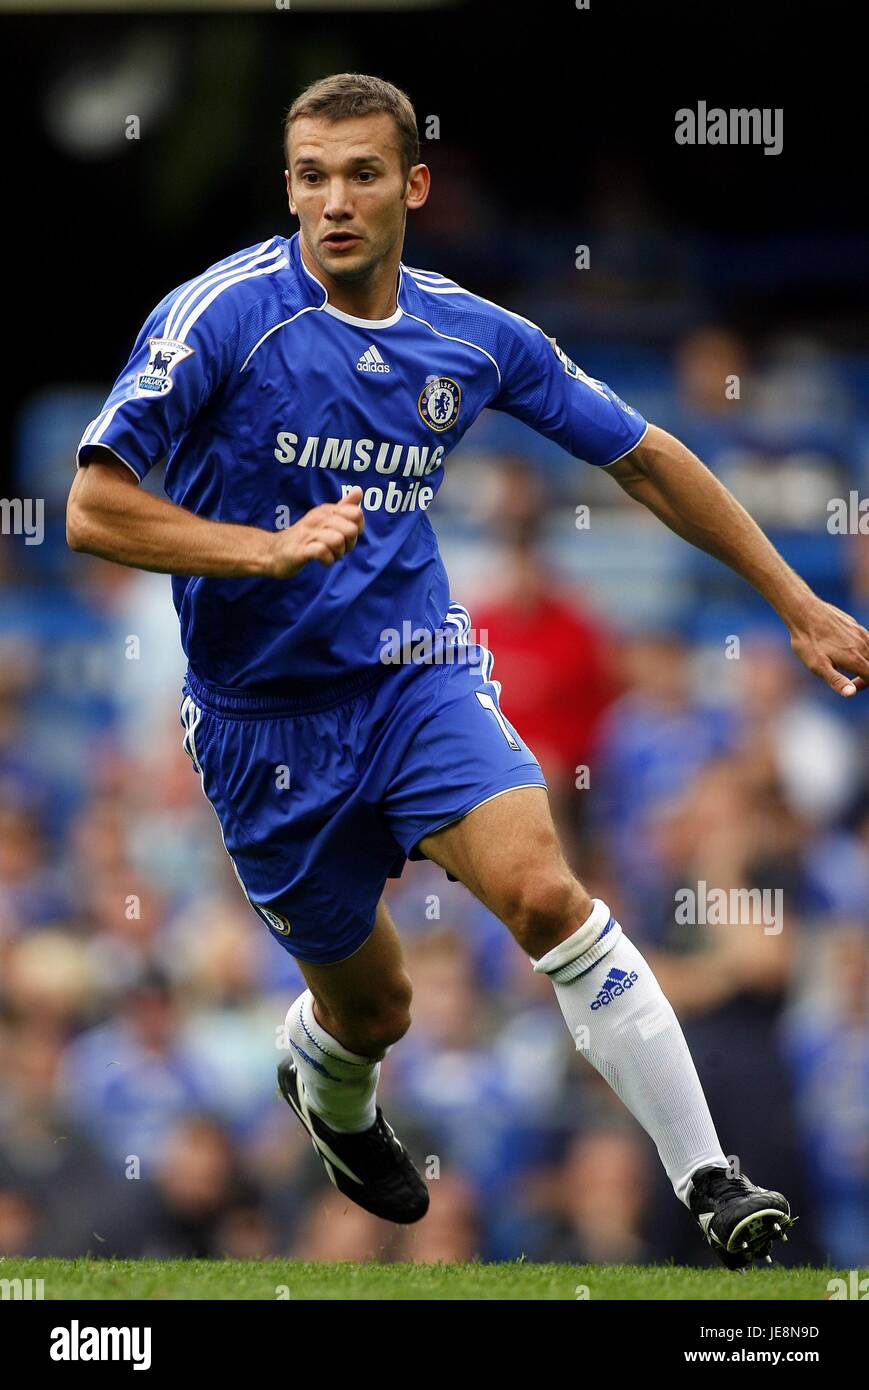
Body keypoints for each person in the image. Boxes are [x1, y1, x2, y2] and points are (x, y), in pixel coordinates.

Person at [67, 72, 869, 1269]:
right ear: (290, 189)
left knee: (545, 895)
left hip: (416, 678)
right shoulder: (220, 316)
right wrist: (265, 549)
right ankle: (332, 1094)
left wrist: (795, 599)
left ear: (413, 187)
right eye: (310, 177)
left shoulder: (472, 335)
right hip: (259, 723)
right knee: (371, 1009)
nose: (334, 201)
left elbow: (644, 459)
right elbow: (92, 506)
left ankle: (709, 1177)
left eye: (362, 174)